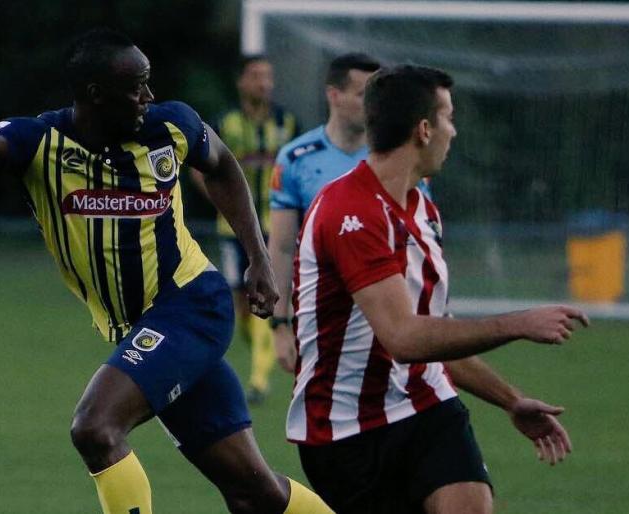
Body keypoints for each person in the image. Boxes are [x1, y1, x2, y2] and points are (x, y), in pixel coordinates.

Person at [0, 29, 333, 514]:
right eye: (136, 86)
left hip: (190, 305)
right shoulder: (40, 142)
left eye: (148, 82)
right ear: (96, 95)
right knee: (254, 493)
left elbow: (223, 167)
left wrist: (259, 258)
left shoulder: (172, 126)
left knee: (95, 428)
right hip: (144, 329)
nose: (149, 95)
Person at [286, 64, 590, 514]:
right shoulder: (350, 213)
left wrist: (509, 400)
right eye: (448, 117)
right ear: (424, 130)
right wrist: (518, 323)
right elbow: (405, 338)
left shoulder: (422, 205)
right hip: (346, 429)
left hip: (427, 404)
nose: (454, 130)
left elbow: (433, 332)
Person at [191, 55, 299, 404]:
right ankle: (261, 355)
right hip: (232, 228)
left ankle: (258, 379)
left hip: (275, 225)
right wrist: (221, 200)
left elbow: (298, 163)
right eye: (256, 76)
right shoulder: (227, 122)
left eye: (268, 76)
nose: (264, 83)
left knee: (267, 297)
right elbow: (198, 166)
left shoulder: (287, 123)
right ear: (242, 82)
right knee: (241, 307)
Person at [267, 53, 381, 372]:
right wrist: (279, 324)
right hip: (320, 318)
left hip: (386, 312)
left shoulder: (394, 155)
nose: (373, 104)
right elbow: (282, 245)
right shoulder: (296, 158)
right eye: (363, 95)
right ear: (334, 95)